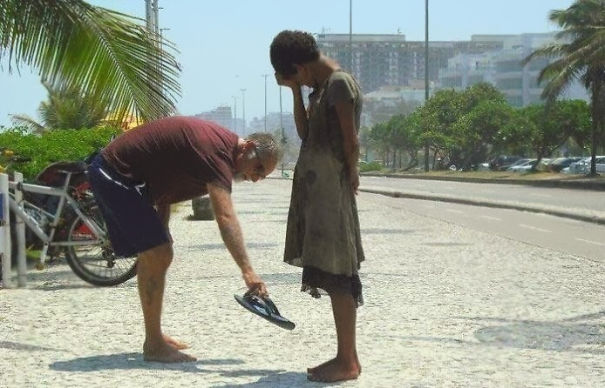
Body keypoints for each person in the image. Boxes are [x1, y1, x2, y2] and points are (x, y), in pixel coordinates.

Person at [87, 116, 281, 363]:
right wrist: (248, 272)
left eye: (262, 176)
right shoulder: (218, 154)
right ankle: (154, 344)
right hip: (113, 171)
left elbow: (165, 179)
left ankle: (154, 337)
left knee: (159, 251)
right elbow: (224, 216)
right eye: (259, 168)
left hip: (129, 178)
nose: (256, 178)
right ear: (249, 147)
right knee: (158, 252)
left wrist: (162, 226)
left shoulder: (221, 151)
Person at [270, 30, 364, 382]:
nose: (298, 82)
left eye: (294, 76)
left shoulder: (338, 84)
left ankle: (347, 361)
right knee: (330, 271)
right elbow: (306, 135)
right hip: (319, 193)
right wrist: (296, 90)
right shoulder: (320, 88)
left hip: (331, 193)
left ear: (298, 65)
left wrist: (352, 173)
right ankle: (346, 357)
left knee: (339, 275)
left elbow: (350, 140)